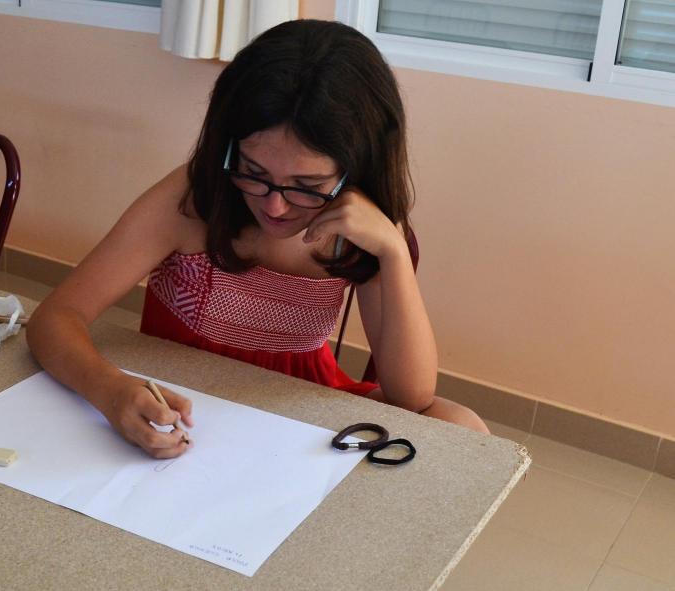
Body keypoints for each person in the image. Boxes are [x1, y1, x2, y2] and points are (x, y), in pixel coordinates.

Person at [27, 19, 490, 460]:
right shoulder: (194, 199)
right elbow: (55, 318)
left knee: (462, 425)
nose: (275, 207)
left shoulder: (360, 231)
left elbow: (413, 396)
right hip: (190, 400)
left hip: (297, 405)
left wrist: (392, 249)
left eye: (307, 186)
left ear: (357, 169)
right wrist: (109, 391)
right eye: (253, 172)